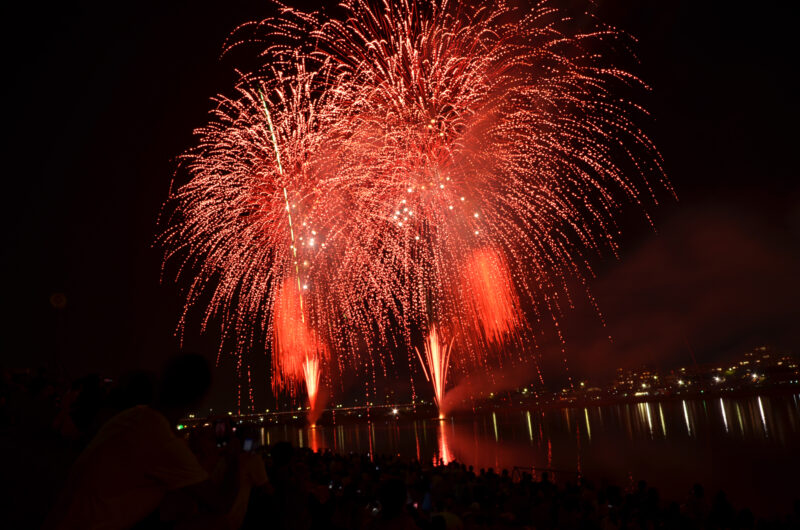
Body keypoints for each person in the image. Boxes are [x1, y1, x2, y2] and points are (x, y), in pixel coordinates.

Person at [46, 353, 230, 530]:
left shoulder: (134, 416)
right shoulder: (162, 440)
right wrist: (234, 458)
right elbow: (221, 504)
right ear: (198, 400)